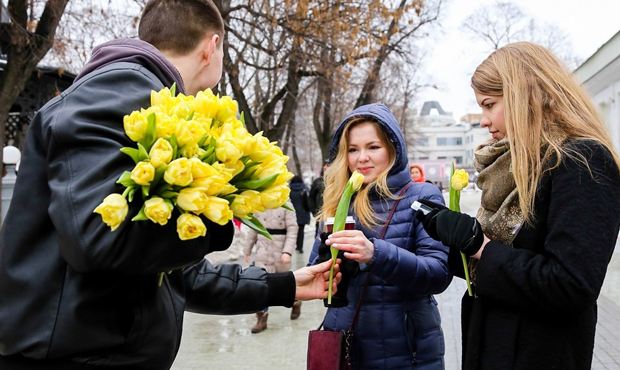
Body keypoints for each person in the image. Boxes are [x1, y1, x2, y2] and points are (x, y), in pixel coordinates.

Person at [0, 1, 340, 369]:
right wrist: (216, 211)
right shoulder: (121, 90)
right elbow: (97, 241)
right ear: (211, 47)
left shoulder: (144, 99)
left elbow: (161, 271)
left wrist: (285, 286)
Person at [416, 42, 620, 370]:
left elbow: (571, 285)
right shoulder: (516, 166)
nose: (483, 121)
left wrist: (479, 246)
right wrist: (449, 238)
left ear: (523, 94)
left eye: (489, 105)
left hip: (540, 355)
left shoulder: (583, 162)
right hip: (492, 347)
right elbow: (503, 265)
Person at [309, 103, 452, 369]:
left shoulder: (422, 197)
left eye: (373, 147)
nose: (361, 158)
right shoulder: (339, 201)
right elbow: (315, 274)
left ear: (393, 149)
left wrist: (375, 253)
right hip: (345, 346)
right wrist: (326, 266)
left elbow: (438, 273)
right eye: (353, 150)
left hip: (405, 351)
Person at [242, 206, 301, 333]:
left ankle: (296, 301)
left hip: (280, 253)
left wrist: (287, 252)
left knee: (284, 285)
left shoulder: (287, 206)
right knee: (261, 284)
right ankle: (261, 318)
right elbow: (253, 230)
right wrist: (247, 250)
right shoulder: (259, 205)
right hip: (262, 251)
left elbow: (292, 230)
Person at [289, 175, 311, 253]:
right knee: (301, 231)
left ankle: (291, 247)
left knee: (292, 231)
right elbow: (307, 204)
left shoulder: (289, 191)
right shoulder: (303, 190)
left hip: (291, 214)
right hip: (302, 214)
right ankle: (299, 247)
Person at [309, 161, 328, 238]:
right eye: (325, 165)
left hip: (333, 214)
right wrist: (314, 212)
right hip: (320, 214)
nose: (327, 168)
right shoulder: (317, 182)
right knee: (318, 236)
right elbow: (311, 198)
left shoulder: (337, 181)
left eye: (329, 165)